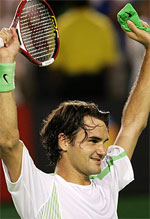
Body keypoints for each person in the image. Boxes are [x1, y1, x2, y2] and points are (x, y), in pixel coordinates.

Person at [0, 18, 149, 219]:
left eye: (103, 142)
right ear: (64, 141)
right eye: (93, 141)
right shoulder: (39, 189)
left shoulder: (106, 179)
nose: (103, 151)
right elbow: (8, 143)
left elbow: (133, 123)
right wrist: (6, 63)